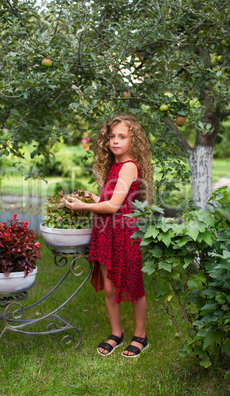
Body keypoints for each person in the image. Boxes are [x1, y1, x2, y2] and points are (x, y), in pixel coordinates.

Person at [66, 114, 152, 358]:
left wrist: (84, 208)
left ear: (133, 141)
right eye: (111, 136)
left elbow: (114, 207)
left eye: (122, 137)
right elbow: (111, 201)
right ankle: (116, 333)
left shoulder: (129, 166)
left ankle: (141, 336)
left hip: (124, 232)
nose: (115, 141)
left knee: (133, 284)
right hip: (107, 232)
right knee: (109, 287)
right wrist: (92, 198)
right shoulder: (115, 166)